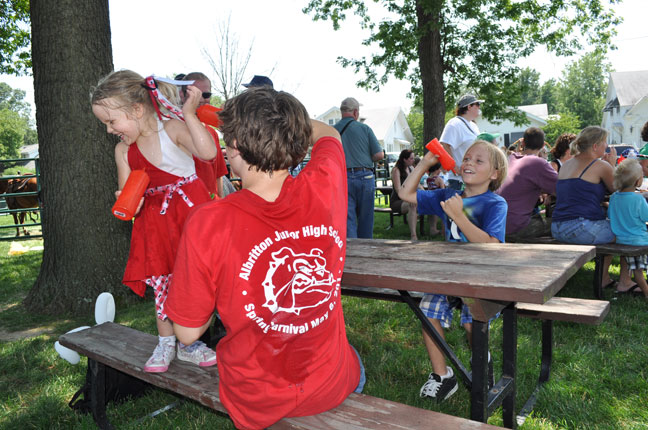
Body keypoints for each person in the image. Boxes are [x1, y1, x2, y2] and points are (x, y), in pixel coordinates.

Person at [165, 88, 363, 430]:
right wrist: (283, 121)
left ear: (234, 149)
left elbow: (186, 332)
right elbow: (329, 133)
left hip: (256, 398)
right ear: (300, 144)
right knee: (354, 359)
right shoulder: (326, 182)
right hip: (331, 383)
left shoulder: (208, 221)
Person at [91, 70, 219, 373]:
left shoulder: (173, 129)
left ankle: (189, 343)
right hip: (155, 225)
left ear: (136, 110)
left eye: (112, 122)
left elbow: (208, 151)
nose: (110, 130)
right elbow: (130, 201)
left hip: (190, 219)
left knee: (198, 281)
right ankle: (166, 344)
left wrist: (189, 113)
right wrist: (126, 200)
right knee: (163, 283)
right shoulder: (124, 150)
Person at [398, 140, 508, 401]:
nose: (469, 162)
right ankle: (442, 376)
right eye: (467, 158)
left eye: (478, 161)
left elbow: (492, 246)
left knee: (473, 328)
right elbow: (405, 194)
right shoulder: (448, 195)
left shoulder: (496, 203)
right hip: (449, 275)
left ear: (494, 174)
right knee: (428, 313)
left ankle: (483, 362)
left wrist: (459, 217)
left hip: (480, 277)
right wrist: (425, 163)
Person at [550, 126, 632, 292]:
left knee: (610, 227)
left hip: (557, 227)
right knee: (630, 231)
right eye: (605, 143)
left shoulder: (566, 164)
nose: (607, 147)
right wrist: (612, 165)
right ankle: (625, 281)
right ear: (595, 146)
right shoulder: (600, 165)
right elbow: (621, 191)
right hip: (580, 228)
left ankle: (605, 278)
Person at [334, 97, 384, 238]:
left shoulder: (333, 131)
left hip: (343, 179)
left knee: (348, 219)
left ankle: (351, 251)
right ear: (356, 112)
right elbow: (379, 155)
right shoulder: (365, 128)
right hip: (365, 176)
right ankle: (366, 249)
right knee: (366, 219)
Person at [497, 127, 557, 240]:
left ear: (523, 142)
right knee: (561, 226)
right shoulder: (538, 163)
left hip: (497, 223)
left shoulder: (511, 158)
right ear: (543, 145)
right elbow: (562, 190)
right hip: (515, 226)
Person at [178, 72, 229, 199]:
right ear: (182, 95)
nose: (200, 99)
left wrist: (220, 203)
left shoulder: (212, 133)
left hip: (210, 207)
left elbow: (218, 175)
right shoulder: (172, 130)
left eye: (205, 95)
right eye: (194, 94)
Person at [608, 159, 648, 297]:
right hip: (637, 241)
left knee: (637, 269)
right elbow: (646, 217)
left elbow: (610, 215)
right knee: (639, 274)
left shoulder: (613, 197)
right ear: (638, 182)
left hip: (621, 239)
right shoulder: (638, 199)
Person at [440, 94, 483, 191]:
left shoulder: (473, 125)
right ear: (469, 106)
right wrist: (454, 167)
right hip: (459, 182)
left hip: (473, 180)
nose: (479, 107)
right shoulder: (455, 123)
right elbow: (444, 145)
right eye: (477, 104)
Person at [389, 149, 422, 240]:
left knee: (428, 201)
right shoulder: (396, 170)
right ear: (404, 159)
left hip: (408, 198)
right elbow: (398, 190)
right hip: (397, 201)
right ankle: (414, 235)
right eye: (411, 158)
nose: (413, 160)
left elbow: (417, 184)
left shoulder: (411, 168)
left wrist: (425, 193)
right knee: (412, 205)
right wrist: (408, 199)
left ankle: (433, 229)